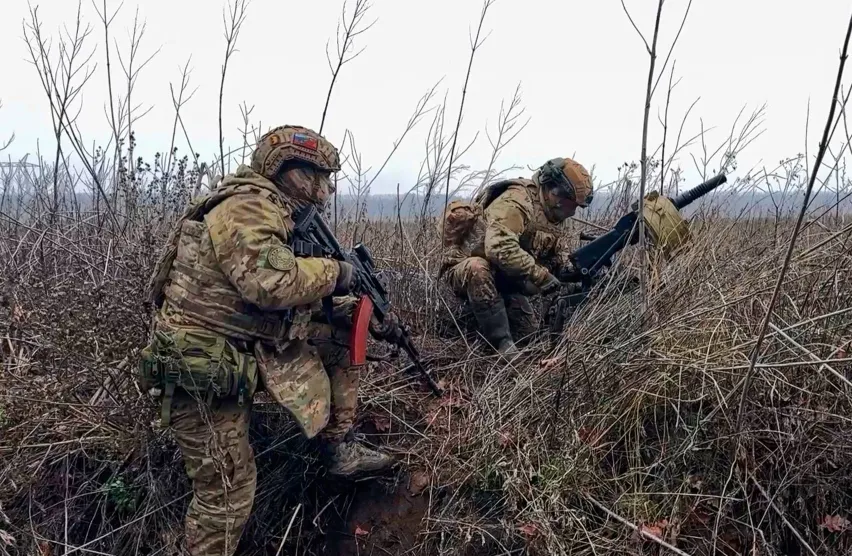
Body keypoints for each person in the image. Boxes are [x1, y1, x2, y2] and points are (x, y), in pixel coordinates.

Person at [140, 125, 396, 556]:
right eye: (319, 177)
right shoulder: (247, 207)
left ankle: (339, 448)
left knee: (340, 331)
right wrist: (338, 274)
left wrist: (359, 311)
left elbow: (269, 300)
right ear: (290, 172)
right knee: (228, 492)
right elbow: (272, 285)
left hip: (242, 346)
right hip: (200, 366)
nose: (325, 190)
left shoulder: (275, 212)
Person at [438, 157, 594, 356]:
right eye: (570, 204)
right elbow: (498, 247)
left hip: (505, 279)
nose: (572, 211)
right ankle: (501, 344)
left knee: (528, 338)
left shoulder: (553, 216)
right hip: (465, 270)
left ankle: (489, 323)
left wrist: (572, 273)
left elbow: (557, 256)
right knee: (478, 268)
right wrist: (541, 276)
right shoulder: (517, 201)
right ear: (552, 191)